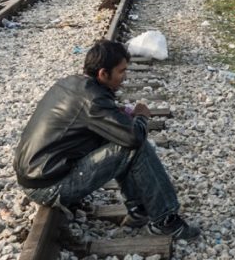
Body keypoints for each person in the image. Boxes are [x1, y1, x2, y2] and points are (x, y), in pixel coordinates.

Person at [14, 40, 199, 239]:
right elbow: (133, 138)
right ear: (103, 73)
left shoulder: (70, 83)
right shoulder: (93, 100)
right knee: (133, 145)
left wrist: (118, 117)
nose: (124, 77)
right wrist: (142, 117)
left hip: (37, 176)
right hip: (49, 187)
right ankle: (165, 220)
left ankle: (140, 211)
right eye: (121, 71)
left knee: (119, 137)